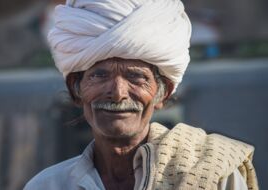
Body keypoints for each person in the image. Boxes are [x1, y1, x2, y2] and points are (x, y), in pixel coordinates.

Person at [24, 0, 258, 189]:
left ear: (163, 94)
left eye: (136, 77)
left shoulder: (213, 174)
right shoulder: (48, 185)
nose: (117, 94)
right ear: (76, 90)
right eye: (99, 76)